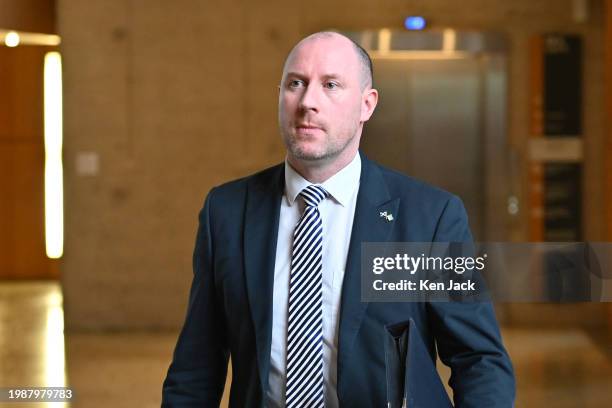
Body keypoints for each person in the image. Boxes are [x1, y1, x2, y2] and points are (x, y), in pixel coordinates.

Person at [162, 31, 515, 407]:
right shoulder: (227, 212)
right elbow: (196, 367)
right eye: (295, 83)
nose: (307, 102)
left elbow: (479, 360)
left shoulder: (429, 218)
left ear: (367, 104)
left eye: (331, 85)